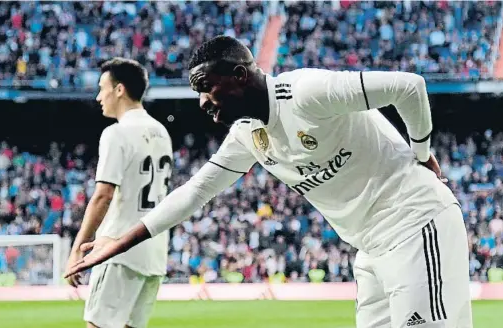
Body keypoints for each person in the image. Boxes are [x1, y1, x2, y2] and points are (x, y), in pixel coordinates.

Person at [65, 36, 472, 328]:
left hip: (416, 224)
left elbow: (408, 87)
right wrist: (120, 241)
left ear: (240, 75)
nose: (202, 102)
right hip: (369, 249)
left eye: (206, 87)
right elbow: (196, 192)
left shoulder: (306, 92)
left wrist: (422, 154)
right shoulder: (247, 134)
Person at [64, 58, 173, 328]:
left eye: (103, 88)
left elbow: (103, 195)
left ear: (120, 90)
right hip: (154, 251)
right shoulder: (162, 132)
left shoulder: (117, 133)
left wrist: (78, 249)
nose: (99, 96)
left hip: (118, 248)